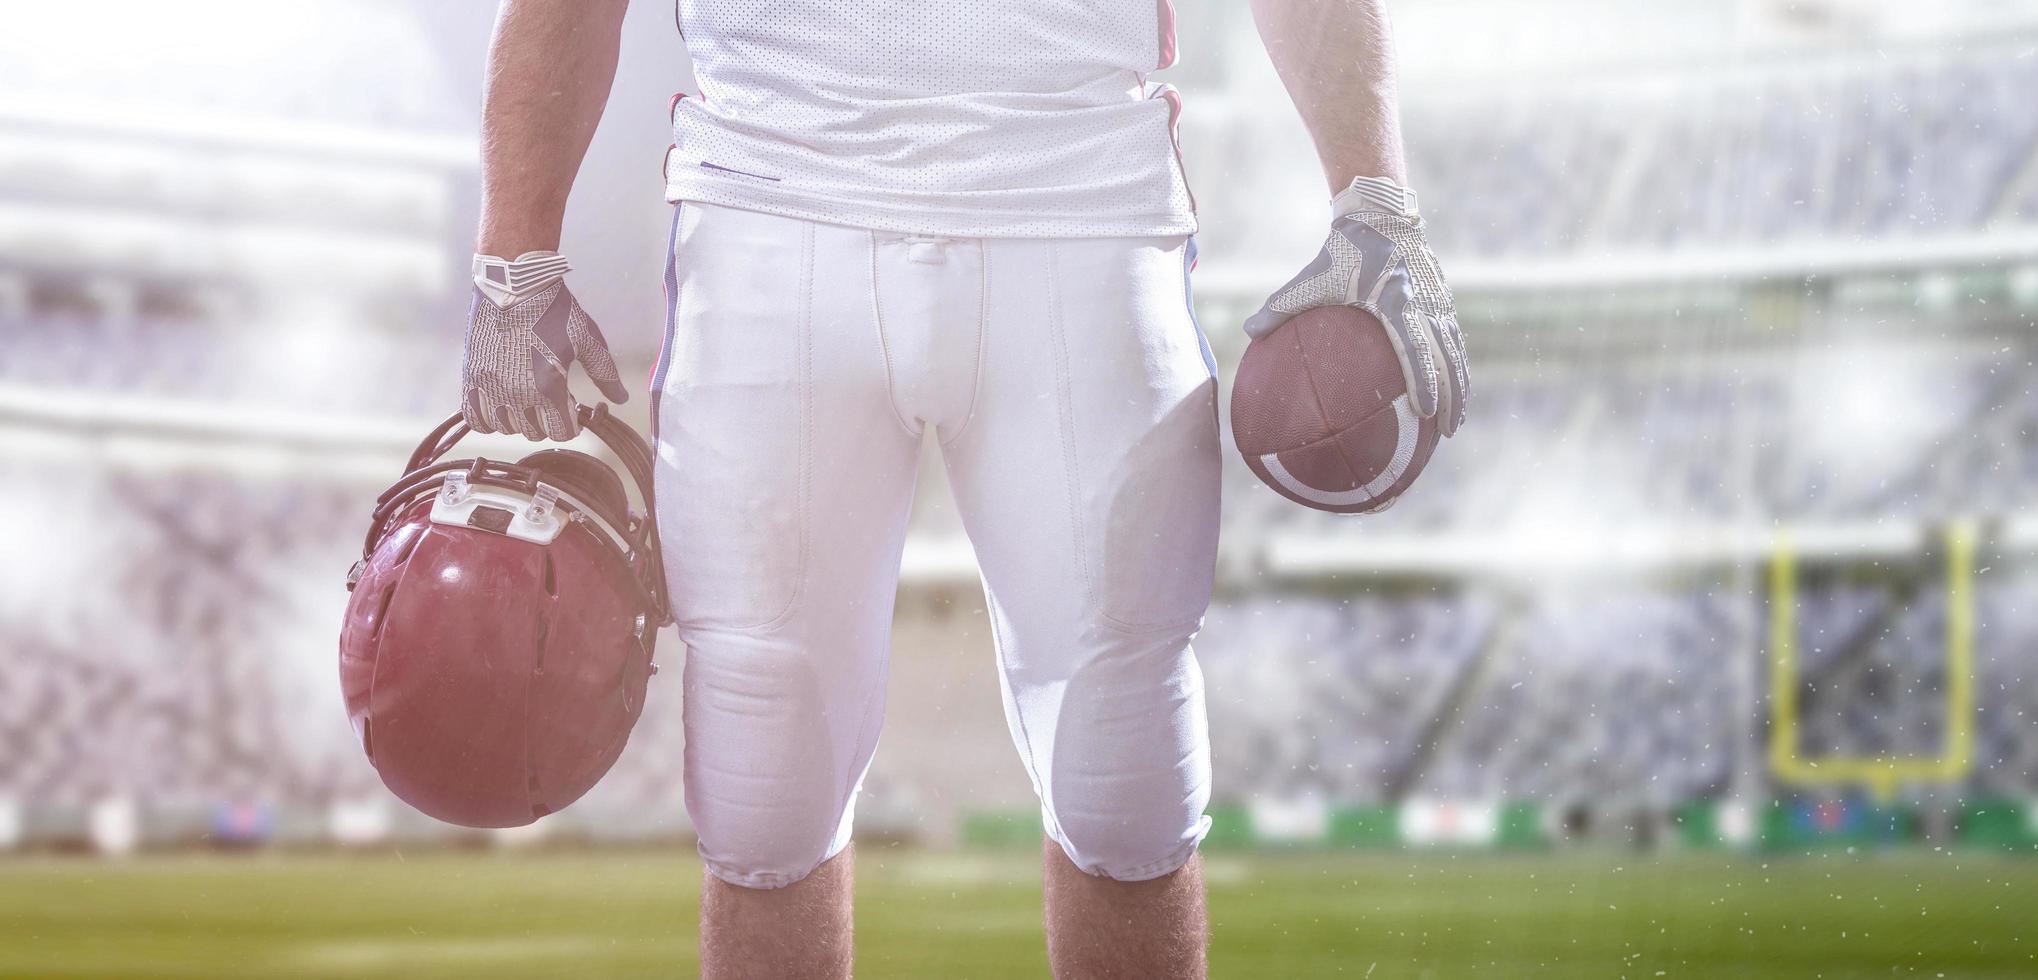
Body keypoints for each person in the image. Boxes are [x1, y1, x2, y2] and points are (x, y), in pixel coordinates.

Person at [458, 1, 1459, 976]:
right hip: (772, 208)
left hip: (1081, 206)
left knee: (1124, 775)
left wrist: (1373, 197)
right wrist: (512, 257)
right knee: (764, 792)